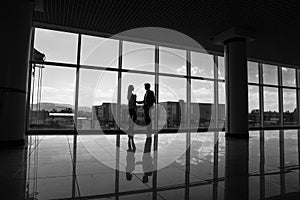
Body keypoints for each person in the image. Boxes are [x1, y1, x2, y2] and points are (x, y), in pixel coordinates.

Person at [127, 85, 137, 152]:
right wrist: (134, 97)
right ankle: (131, 128)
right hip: (131, 108)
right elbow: (132, 102)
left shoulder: (129, 94)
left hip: (131, 108)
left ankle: (131, 128)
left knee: (132, 118)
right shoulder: (131, 94)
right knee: (133, 118)